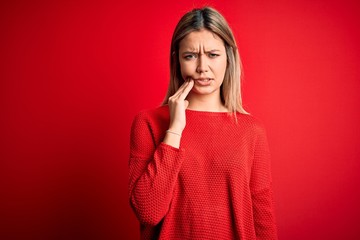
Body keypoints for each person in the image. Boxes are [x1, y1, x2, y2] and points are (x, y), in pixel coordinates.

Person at [128, 6, 278, 240]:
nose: (202, 67)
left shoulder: (251, 131)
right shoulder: (148, 122)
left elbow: (263, 218)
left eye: (213, 54)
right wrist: (175, 129)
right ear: (176, 59)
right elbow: (148, 212)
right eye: (190, 56)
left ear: (229, 57)